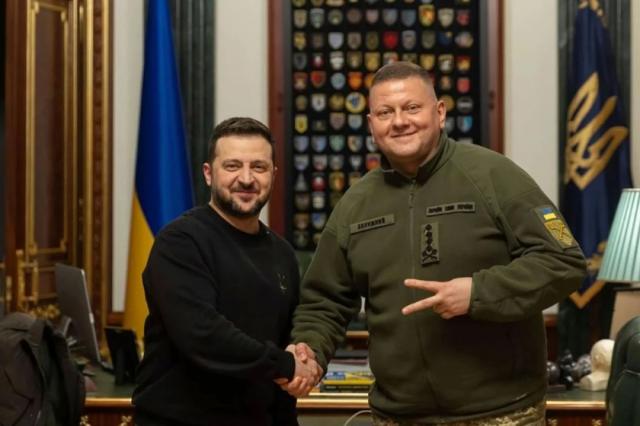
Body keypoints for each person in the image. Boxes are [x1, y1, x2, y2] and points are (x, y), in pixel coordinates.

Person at [287, 62, 587, 425]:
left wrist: (478, 292)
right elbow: (324, 301)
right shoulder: (355, 204)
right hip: (398, 416)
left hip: (500, 413)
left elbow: (563, 261)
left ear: (440, 112)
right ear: (371, 124)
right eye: (385, 112)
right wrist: (309, 352)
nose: (399, 121)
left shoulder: (494, 175)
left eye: (412, 108)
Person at [133, 117, 321, 426]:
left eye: (258, 167)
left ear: (273, 175)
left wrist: (298, 360)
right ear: (209, 174)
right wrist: (285, 365)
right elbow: (203, 335)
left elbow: (284, 343)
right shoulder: (180, 242)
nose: (246, 179)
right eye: (232, 166)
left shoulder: (282, 253)